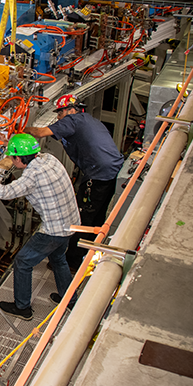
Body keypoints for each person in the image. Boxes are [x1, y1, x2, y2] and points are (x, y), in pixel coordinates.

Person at [0, 133, 79, 320]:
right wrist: (7, 144)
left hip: (54, 230)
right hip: (72, 223)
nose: (11, 161)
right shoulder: (48, 159)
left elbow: (3, 192)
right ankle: (70, 299)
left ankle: (22, 308)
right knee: (58, 258)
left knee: (23, 261)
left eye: (13, 158)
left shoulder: (31, 177)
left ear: (19, 158)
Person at [24, 94, 124, 274]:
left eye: (60, 113)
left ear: (70, 110)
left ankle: (72, 262)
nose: (58, 118)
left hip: (99, 175)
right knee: (97, 215)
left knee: (83, 217)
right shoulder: (87, 120)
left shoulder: (73, 120)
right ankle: (90, 251)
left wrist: (19, 129)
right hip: (111, 171)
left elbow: (40, 133)